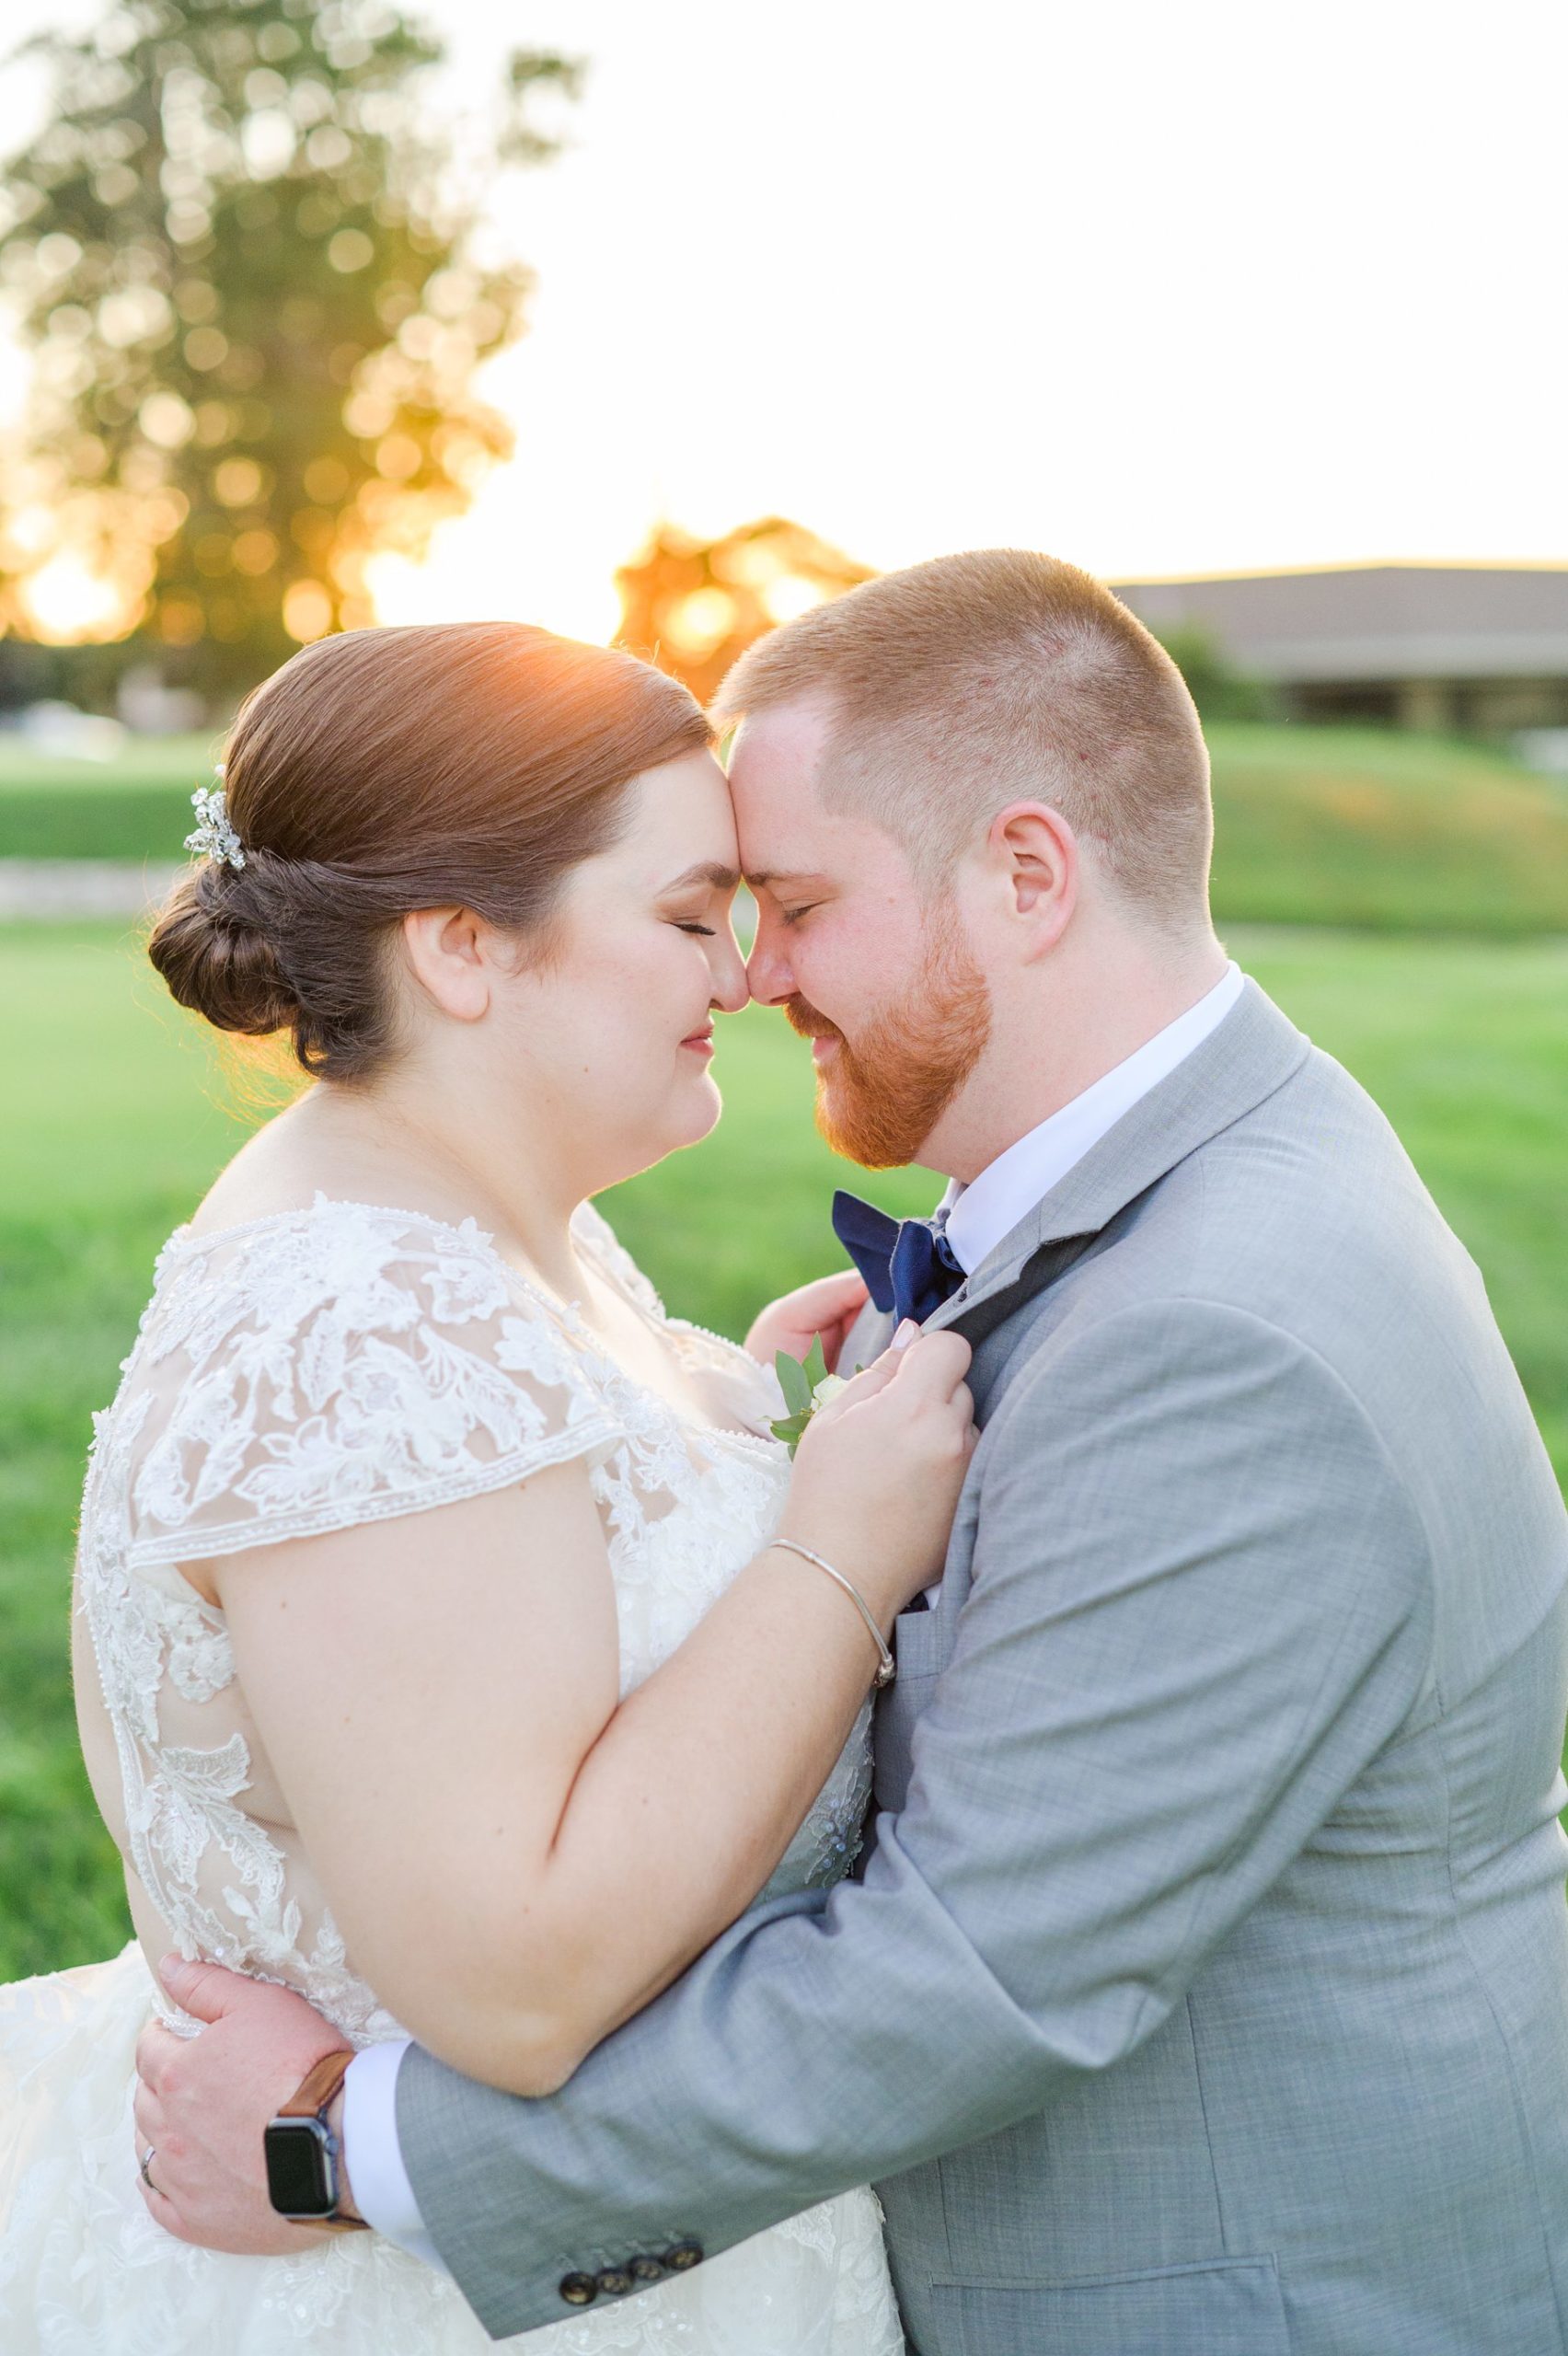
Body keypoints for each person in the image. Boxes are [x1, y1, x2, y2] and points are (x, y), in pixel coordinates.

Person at [138, 552, 1568, 2355]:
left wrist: (347, 2147)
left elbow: (972, 1970)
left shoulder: (1219, 1330)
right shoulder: (1196, 1195)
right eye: (713, 911)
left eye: (793, 901)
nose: (754, 970)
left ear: (1029, 874)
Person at [0, 618, 980, 2354]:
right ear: (462, 948)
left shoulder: (486, 1231)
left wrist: (725, 1425)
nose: (743, 974)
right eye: (687, 917)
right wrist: (831, 1553)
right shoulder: (361, 1328)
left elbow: (531, 1581)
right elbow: (511, 1980)